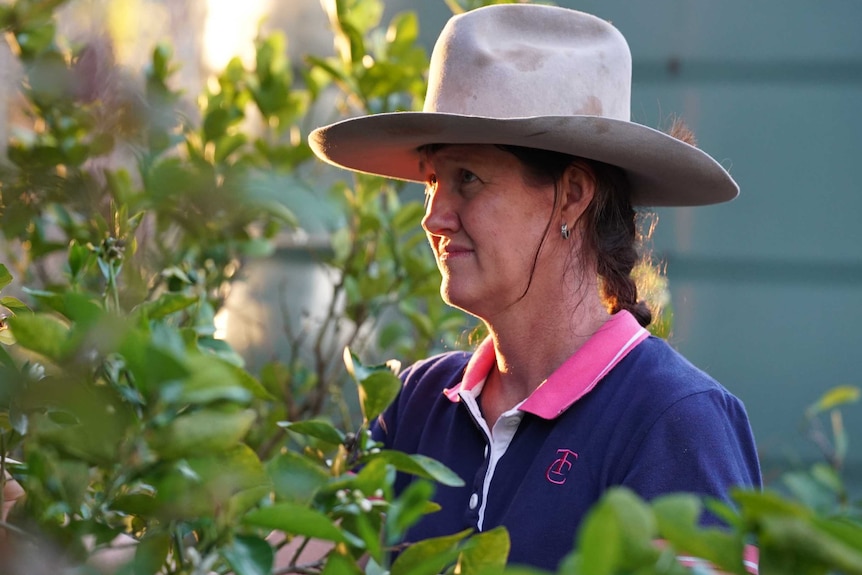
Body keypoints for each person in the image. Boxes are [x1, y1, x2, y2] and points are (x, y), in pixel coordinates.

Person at [309, 3, 761, 571]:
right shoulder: (415, 403)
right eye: (431, 181)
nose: (433, 216)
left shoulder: (673, 419)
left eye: (467, 179)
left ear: (571, 194)